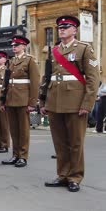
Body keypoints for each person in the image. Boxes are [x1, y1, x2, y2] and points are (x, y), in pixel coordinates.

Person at [42, 15, 100, 192]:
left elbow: (92, 78)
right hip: (54, 101)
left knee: (75, 142)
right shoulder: (53, 51)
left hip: (75, 102)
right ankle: (63, 174)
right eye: (60, 27)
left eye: (66, 27)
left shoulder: (84, 49)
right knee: (59, 142)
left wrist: (87, 104)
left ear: (75, 30)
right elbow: (47, 77)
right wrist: (42, 100)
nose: (62, 29)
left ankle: (75, 176)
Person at [1, 36, 40, 167]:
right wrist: (3, 99)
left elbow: (35, 83)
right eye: (13, 45)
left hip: (23, 99)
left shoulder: (29, 60)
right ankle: (15, 154)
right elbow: (6, 82)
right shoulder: (11, 61)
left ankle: (23, 155)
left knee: (23, 130)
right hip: (11, 98)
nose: (14, 47)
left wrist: (32, 103)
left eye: (17, 45)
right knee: (14, 129)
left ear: (24, 46)